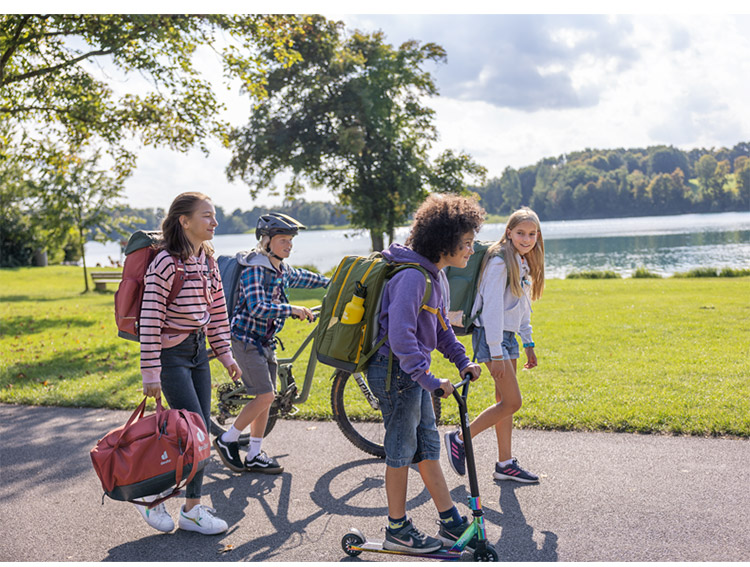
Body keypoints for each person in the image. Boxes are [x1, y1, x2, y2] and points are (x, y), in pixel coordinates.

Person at [366, 194, 484, 554]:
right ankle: (397, 529)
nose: (470, 249)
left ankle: (448, 521)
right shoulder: (412, 277)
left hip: (412, 372)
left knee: (429, 448)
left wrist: (462, 360)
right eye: (465, 244)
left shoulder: (436, 276)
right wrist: (428, 379)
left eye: (472, 242)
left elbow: (442, 326)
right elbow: (401, 336)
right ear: (443, 242)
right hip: (394, 372)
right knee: (401, 451)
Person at [136, 192, 242, 534]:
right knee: (196, 433)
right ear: (184, 221)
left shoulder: (207, 259)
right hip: (171, 357)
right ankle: (153, 498)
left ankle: (191, 509)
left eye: (214, 216)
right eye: (207, 216)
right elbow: (150, 320)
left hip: (198, 354)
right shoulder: (165, 263)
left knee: (196, 433)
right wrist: (151, 372)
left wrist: (225, 355)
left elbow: (216, 312)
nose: (214, 222)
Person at [213, 212, 329, 475]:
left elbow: (306, 278)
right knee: (265, 394)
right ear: (266, 242)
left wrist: (335, 283)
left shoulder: (281, 269)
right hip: (245, 339)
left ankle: (254, 454)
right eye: (283, 240)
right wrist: (291, 309)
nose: (288, 245)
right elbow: (257, 307)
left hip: (265, 341)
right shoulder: (256, 268)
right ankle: (227, 438)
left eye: (290, 241)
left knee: (267, 398)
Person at [445, 207, 545, 484]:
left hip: (507, 337)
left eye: (532, 234)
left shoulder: (521, 261)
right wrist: (496, 351)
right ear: (509, 232)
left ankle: (505, 464)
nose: (526, 238)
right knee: (513, 402)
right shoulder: (500, 261)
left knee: (504, 403)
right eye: (521, 233)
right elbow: (490, 309)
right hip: (492, 337)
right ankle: (460, 438)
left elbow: (520, 307)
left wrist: (528, 342)